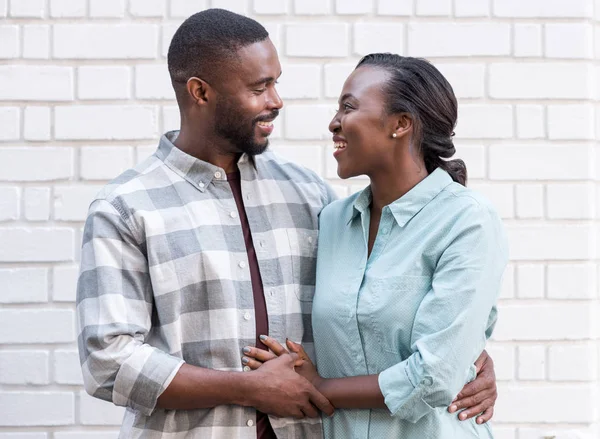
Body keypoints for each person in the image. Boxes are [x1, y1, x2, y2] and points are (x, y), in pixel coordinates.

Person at [76, 9, 498, 439]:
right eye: (260, 88)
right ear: (201, 92)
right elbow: (107, 362)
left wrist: (465, 359)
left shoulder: (310, 196)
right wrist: (249, 388)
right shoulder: (126, 208)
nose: (276, 100)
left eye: (276, 83)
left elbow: (373, 305)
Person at [241, 54, 508, 438]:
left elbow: (436, 376)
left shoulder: (467, 221)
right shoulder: (332, 221)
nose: (334, 122)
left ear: (401, 124)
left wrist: (317, 388)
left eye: (348, 107)